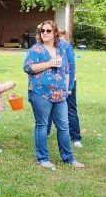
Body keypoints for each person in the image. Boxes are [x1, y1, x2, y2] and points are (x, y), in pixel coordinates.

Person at [23, 21, 82, 168]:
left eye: (48, 31)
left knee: (63, 126)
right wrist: (49, 63)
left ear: (55, 33)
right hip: (40, 93)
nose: (44, 33)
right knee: (42, 125)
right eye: (42, 31)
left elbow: (67, 70)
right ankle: (43, 159)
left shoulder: (62, 49)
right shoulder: (36, 49)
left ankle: (68, 158)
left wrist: (67, 89)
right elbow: (28, 67)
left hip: (60, 94)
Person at [55, 21, 82, 149]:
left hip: (68, 82)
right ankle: (46, 133)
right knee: (51, 109)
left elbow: (71, 68)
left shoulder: (66, 47)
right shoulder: (54, 46)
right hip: (55, 82)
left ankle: (76, 137)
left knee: (70, 109)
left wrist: (69, 87)